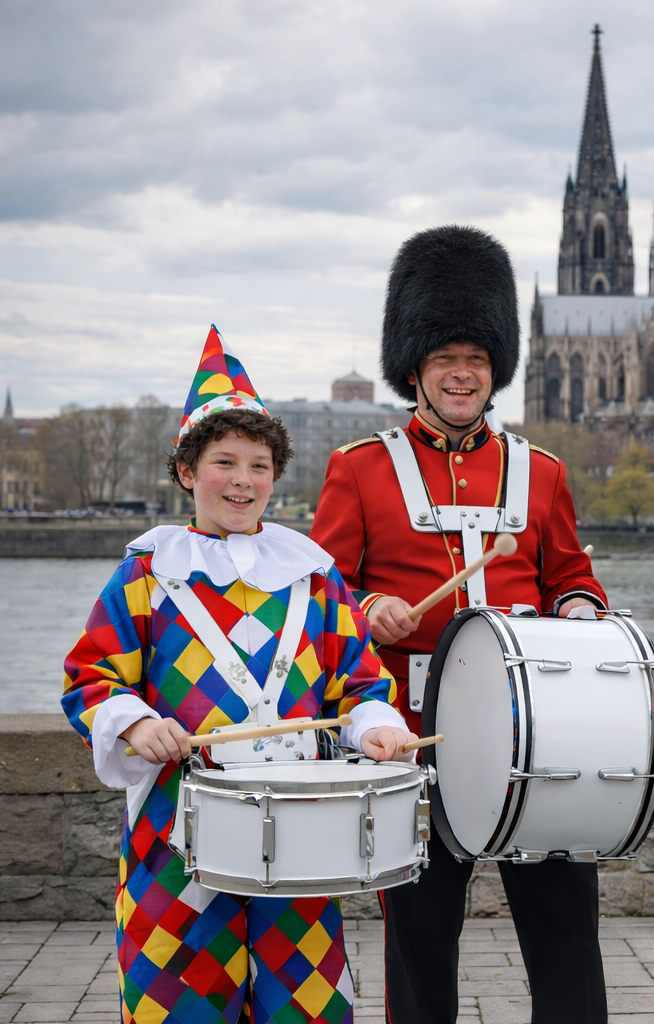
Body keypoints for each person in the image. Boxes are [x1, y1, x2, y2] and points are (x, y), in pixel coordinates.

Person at [62, 325, 415, 1024]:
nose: (243, 481)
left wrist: (378, 728)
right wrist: (136, 722)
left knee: (304, 1007)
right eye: (225, 462)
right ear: (188, 472)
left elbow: (362, 683)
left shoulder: (314, 578)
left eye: (259, 465)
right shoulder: (146, 573)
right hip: (174, 829)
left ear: (275, 476)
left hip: (303, 829)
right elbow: (91, 678)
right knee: (180, 1003)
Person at [310, 224, 608, 1024]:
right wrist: (367, 609)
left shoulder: (541, 471)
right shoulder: (359, 468)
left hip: (530, 737)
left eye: (476, 360)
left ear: (497, 369)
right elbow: (319, 588)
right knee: (419, 944)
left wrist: (579, 607)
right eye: (445, 359)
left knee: (568, 938)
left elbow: (571, 575)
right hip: (410, 735)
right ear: (415, 368)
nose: (462, 374)